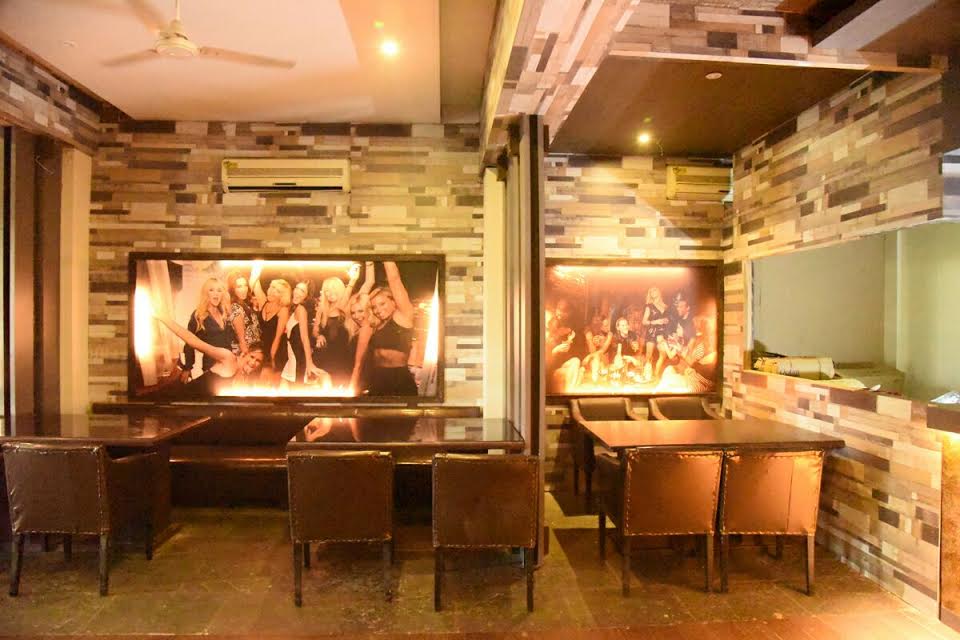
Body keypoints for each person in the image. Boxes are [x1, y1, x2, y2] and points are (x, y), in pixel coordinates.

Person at [156, 314, 265, 397]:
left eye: (258, 361)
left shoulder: (243, 376)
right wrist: (164, 318)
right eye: (252, 357)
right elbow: (193, 341)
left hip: (199, 408)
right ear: (245, 353)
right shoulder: (228, 358)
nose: (253, 363)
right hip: (182, 397)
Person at [313, 263, 370, 387]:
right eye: (327, 291)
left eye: (333, 289)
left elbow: (351, 291)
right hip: (324, 359)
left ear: (340, 289)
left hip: (343, 360)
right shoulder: (322, 310)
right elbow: (315, 329)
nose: (330, 293)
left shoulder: (346, 306)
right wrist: (318, 336)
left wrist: (353, 280)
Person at [367, 261, 418, 396]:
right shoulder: (377, 324)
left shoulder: (402, 316)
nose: (378, 310)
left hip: (398, 381)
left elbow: (394, 280)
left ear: (393, 301)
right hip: (377, 379)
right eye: (374, 307)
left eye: (382, 303)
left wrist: (386, 255)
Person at [179, 277, 234, 382]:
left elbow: (229, 340)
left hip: (228, 365)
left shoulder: (224, 313)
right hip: (211, 366)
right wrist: (188, 367)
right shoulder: (198, 315)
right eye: (211, 290)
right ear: (206, 293)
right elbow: (189, 343)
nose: (216, 294)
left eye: (219, 290)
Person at [282, 281, 325, 387]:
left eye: (302, 291)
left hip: (298, 358)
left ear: (307, 296)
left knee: (296, 389)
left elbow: (305, 338)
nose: (297, 292)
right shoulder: (296, 308)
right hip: (292, 356)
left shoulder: (301, 309)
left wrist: (309, 363)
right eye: (297, 288)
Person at [252, 275, 292, 376]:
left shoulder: (283, 310)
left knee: (270, 377)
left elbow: (278, 337)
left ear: (282, 296)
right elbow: (253, 282)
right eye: (271, 287)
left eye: (277, 291)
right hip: (261, 347)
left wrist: (272, 356)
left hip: (276, 349)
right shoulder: (263, 302)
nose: (271, 291)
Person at [546, 299, 581, 392]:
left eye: (564, 311)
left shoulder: (565, 326)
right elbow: (544, 364)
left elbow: (568, 348)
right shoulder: (550, 329)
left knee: (576, 361)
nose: (559, 313)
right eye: (558, 309)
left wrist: (568, 343)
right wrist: (555, 351)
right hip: (549, 370)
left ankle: (570, 393)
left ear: (569, 313)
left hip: (560, 364)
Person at [226, 270, 261, 357]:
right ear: (232, 289)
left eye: (245, 285)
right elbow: (241, 339)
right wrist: (247, 357)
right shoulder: (235, 307)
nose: (243, 289)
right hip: (244, 352)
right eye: (239, 286)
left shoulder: (244, 304)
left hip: (253, 350)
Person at [641, 287, 670, 381]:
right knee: (649, 356)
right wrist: (656, 321)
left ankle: (656, 374)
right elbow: (644, 322)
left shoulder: (665, 306)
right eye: (651, 291)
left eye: (655, 290)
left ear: (659, 292)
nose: (653, 292)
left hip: (662, 332)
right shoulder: (649, 306)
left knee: (663, 353)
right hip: (652, 332)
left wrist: (666, 321)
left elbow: (668, 320)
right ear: (650, 294)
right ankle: (646, 375)